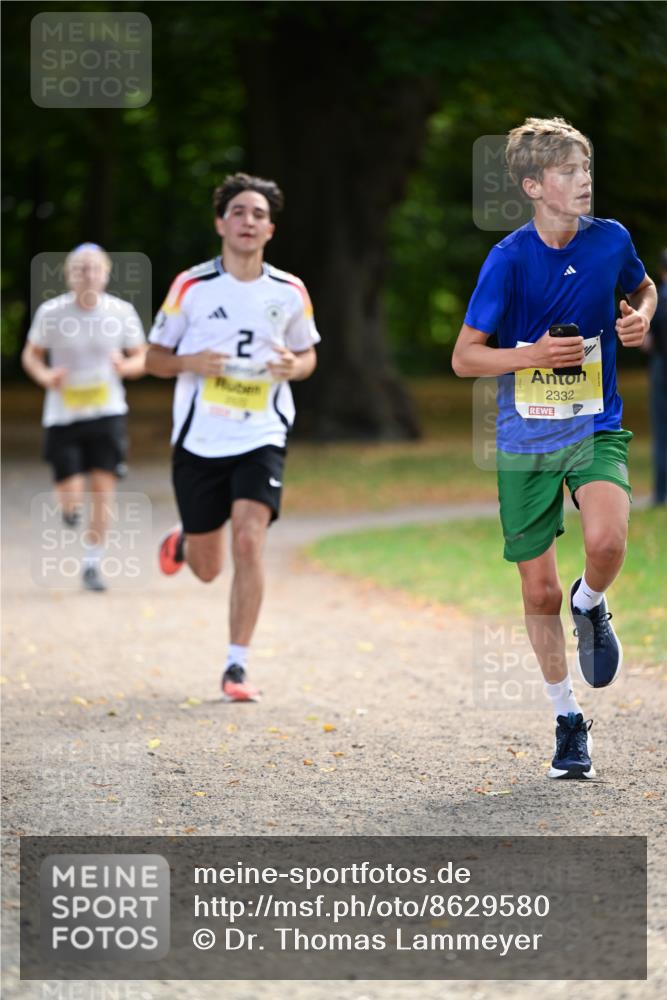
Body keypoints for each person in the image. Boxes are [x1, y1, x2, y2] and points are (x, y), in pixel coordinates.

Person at [452, 118, 657, 779]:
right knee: (537, 591)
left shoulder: (611, 240)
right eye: (568, 171)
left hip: (594, 426)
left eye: (585, 168)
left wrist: (641, 315)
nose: (583, 180)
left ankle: (590, 602)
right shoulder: (508, 259)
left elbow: (642, 286)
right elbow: (464, 358)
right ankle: (567, 719)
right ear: (534, 186)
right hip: (525, 441)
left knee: (607, 543)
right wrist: (532, 355)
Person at [145, 172, 320, 703]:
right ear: (221, 224)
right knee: (207, 569)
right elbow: (153, 358)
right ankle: (186, 540)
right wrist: (189, 362)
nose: (248, 221)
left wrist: (294, 366)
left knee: (248, 538)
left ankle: (236, 665)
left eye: (258, 215)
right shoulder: (191, 286)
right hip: (200, 438)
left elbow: (308, 355)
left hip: (262, 431)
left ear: (270, 230)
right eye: (238, 212)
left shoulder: (289, 290)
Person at [22, 243, 147, 592]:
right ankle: (69, 508)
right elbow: (31, 356)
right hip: (63, 414)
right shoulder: (51, 313)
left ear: (106, 274)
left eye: (94, 268)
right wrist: (46, 376)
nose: (88, 275)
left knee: (103, 490)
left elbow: (142, 356)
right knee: (71, 492)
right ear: (68, 275)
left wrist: (127, 367)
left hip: (107, 412)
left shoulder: (121, 312)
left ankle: (93, 564)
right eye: (80, 268)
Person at [646, 250, 667, 505]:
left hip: (661, 370)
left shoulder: (658, 300)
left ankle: (661, 493)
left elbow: (647, 341)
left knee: (662, 434)